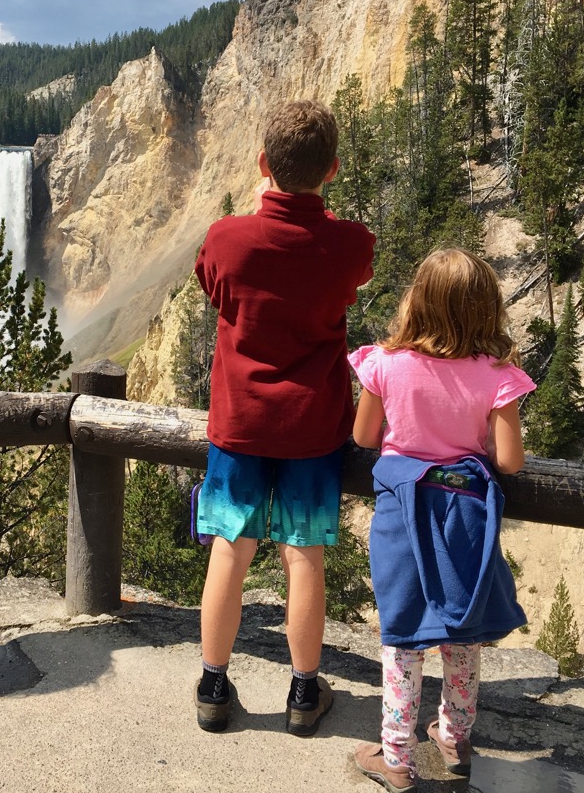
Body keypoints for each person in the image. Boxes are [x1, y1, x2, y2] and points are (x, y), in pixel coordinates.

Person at [193, 98, 376, 736]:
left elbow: (214, 286)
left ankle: (213, 686)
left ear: (263, 163)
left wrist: (256, 211)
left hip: (240, 423)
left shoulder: (227, 238)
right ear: (332, 170)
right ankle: (303, 693)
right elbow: (351, 278)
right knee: (304, 558)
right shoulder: (352, 243)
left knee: (229, 551)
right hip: (313, 428)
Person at [347, 247, 534, 792]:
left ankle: (396, 758)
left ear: (417, 301)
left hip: (402, 515)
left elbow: (363, 436)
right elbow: (510, 460)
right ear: (487, 309)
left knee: (403, 635)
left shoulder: (385, 365)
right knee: (462, 633)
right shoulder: (497, 376)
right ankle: (454, 738)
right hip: (464, 517)